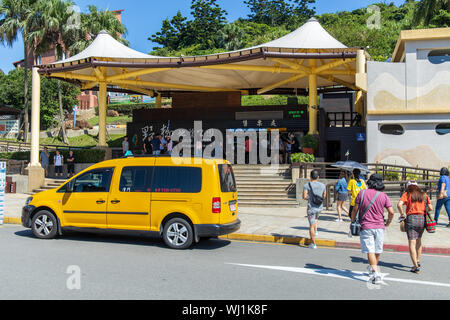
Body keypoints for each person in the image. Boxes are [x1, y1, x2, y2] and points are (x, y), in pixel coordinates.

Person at [350, 174, 394, 285]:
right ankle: (373, 268)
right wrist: (388, 222)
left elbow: (355, 209)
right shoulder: (383, 196)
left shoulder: (362, 193)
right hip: (380, 226)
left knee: (370, 250)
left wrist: (353, 220)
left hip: (366, 226)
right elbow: (391, 212)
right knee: (377, 250)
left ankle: (376, 273)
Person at [397, 181, 433, 274]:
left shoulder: (407, 194)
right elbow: (430, 208)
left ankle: (415, 267)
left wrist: (402, 214)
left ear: (408, 187)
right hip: (422, 219)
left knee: (412, 242)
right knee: (419, 240)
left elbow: (399, 204)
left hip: (411, 219)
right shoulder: (424, 195)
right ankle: (417, 260)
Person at [303, 170, 326, 250]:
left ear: (310, 177)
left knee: (311, 226)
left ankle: (314, 243)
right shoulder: (323, 185)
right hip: (319, 207)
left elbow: (304, 196)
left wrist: (310, 198)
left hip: (311, 208)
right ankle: (316, 232)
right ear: (318, 177)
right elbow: (324, 196)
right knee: (316, 218)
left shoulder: (307, 185)